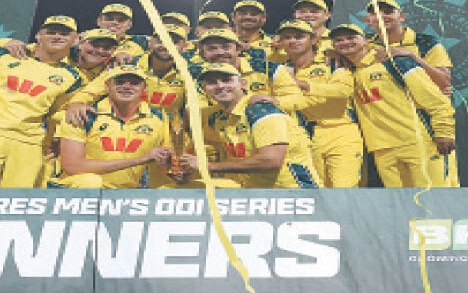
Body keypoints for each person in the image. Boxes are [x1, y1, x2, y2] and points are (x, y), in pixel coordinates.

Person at [0, 15, 82, 188]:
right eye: (51, 32)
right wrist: (1, 42)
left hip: (29, 142)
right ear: (39, 35)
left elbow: (58, 111)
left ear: (75, 39)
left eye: (64, 34)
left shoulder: (72, 77)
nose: (57, 37)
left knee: (16, 203)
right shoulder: (3, 54)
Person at [330, 23, 455, 188]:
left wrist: (444, 131)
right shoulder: (347, 73)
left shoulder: (394, 61)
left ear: (366, 40)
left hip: (416, 143)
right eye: (339, 40)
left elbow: (435, 98)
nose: (345, 42)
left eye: (351, 37)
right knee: (401, 206)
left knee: (434, 202)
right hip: (382, 150)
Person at [177, 63, 320, 188]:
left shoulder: (260, 110)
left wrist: (208, 166)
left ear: (243, 84)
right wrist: (187, 170)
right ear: (204, 88)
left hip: (294, 191)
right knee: (174, 189)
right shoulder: (217, 116)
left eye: (227, 80)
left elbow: (271, 160)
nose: (220, 86)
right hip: (253, 191)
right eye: (212, 82)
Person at [365, 0, 459, 186]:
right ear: (369, 20)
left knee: (438, 194)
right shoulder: (366, 45)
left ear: (402, 17)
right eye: (376, 12)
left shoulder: (425, 42)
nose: (382, 16)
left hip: (425, 129)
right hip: (386, 138)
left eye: (388, 11)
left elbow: (443, 81)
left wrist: (412, 56)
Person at [50, 65, 173, 188]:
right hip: (76, 191)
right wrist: (141, 159)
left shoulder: (158, 118)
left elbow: (166, 160)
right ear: (107, 86)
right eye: (119, 82)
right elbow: (73, 166)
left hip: (124, 194)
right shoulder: (83, 115)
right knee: (90, 182)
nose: (127, 87)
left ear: (145, 88)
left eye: (134, 83)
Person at [276, 19, 363, 187]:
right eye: (287, 37)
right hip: (307, 137)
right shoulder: (280, 69)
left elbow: (343, 90)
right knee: (319, 192)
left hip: (341, 131)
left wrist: (301, 84)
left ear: (314, 40)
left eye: (299, 36)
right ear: (281, 42)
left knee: (344, 191)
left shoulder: (332, 61)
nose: (293, 41)